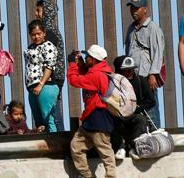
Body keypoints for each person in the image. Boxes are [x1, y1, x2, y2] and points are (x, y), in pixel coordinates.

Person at [67, 45, 117, 178]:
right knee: (77, 146)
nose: (86, 58)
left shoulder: (97, 75)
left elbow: (74, 80)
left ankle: (111, 175)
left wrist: (72, 64)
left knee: (104, 149)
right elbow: (86, 76)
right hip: (92, 116)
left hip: (98, 115)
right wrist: (82, 65)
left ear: (94, 60)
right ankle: (86, 175)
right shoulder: (101, 71)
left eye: (88, 57)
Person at [123, 0, 164, 128]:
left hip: (146, 76)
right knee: (136, 108)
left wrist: (153, 74)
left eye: (137, 8)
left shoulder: (152, 28)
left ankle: (155, 133)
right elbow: (128, 51)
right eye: (132, 8)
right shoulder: (131, 29)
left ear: (145, 9)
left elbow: (158, 52)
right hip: (133, 77)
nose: (133, 11)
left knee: (151, 108)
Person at [22, 19, 63, 132]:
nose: (36, 37)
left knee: (49, 119)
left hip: (46, 85)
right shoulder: (31, 47)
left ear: (44, 33)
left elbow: (49, 66)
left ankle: (54, 145)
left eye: (39, 33)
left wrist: (41, 84)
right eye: (33, 34)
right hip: (32, 87)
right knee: (39, 123)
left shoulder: (48, 46)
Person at [111, 55, 153, 160]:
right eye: (127, 70)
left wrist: (138, 108)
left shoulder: (140, 80)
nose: (130, 72)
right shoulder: (112, 83)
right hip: (118, 116)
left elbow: (151, 101)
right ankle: (120, 147)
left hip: (134, 116)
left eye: (132, 69)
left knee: (140, 120)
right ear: (119, 71)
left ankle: (133, 148)